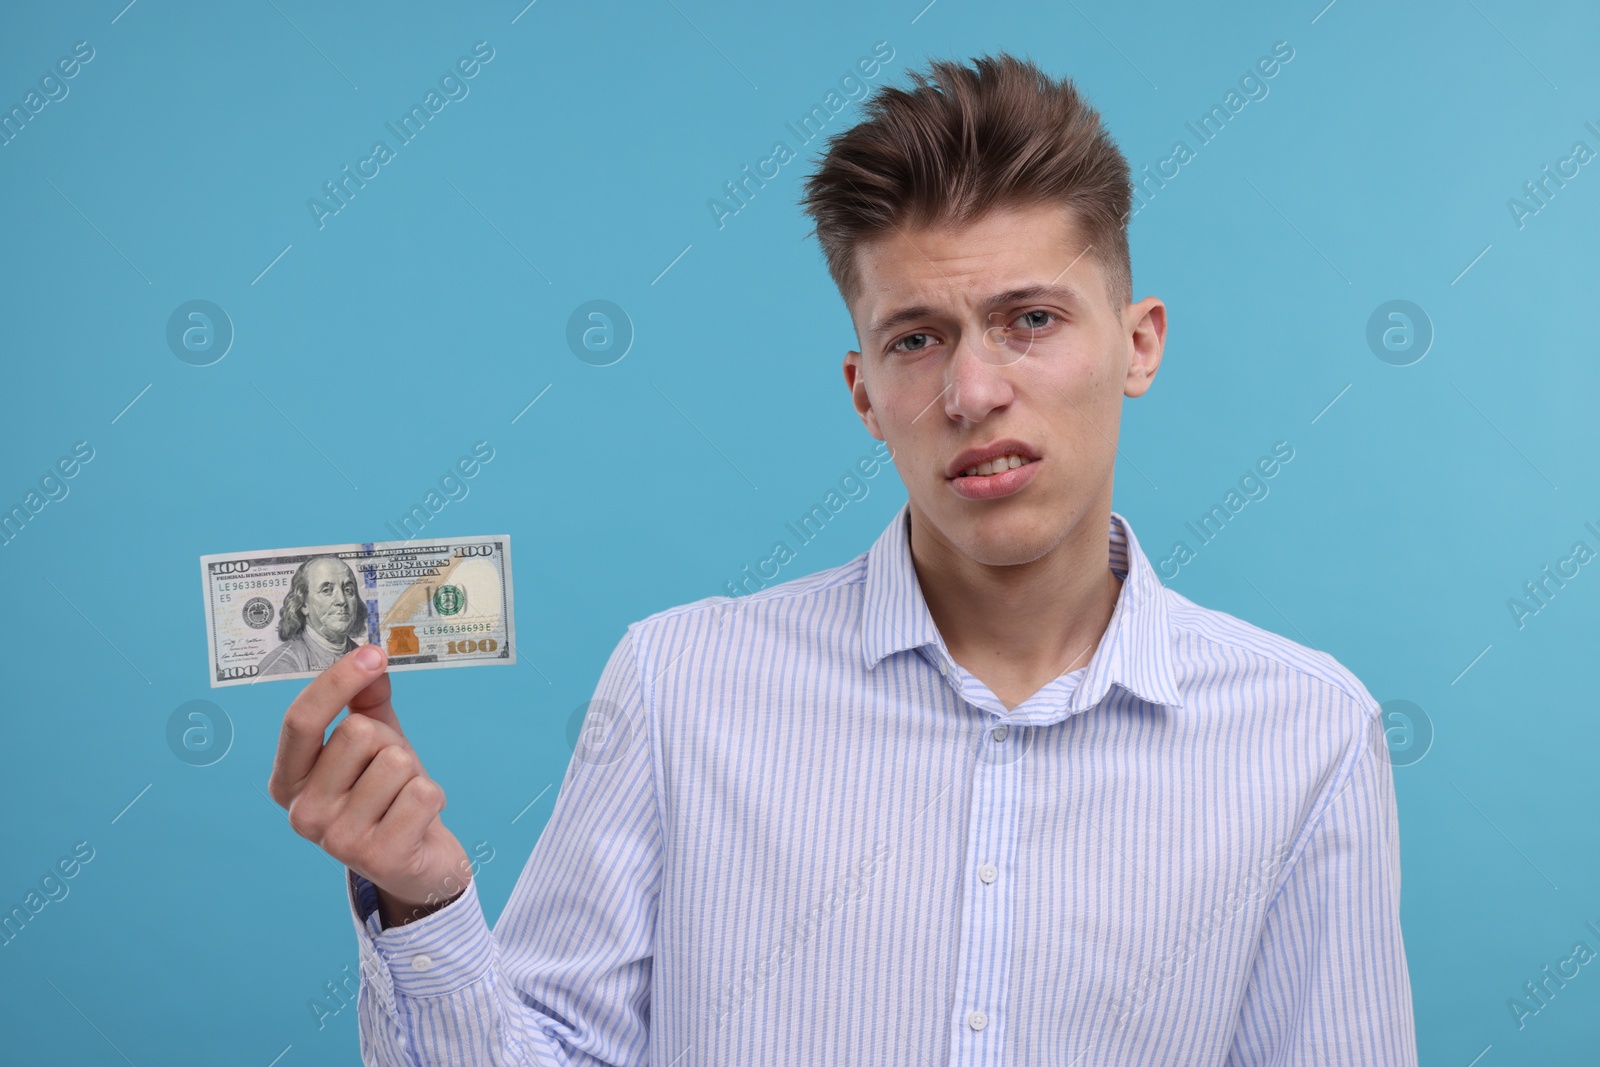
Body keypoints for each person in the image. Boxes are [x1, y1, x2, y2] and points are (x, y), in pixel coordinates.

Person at [268, 53, 1416, 1065]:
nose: (972, 392)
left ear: (1138, 343)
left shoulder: (1307, 736)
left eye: (1031, 319)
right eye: (917, 339)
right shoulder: (679, 688)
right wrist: (423, 900)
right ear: (866, 392)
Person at [255, 555, 367, 676]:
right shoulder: (281, 664)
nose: (341, 600)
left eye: (348, 590)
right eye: (326, 591)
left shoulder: (363, 655)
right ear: (304, 604)